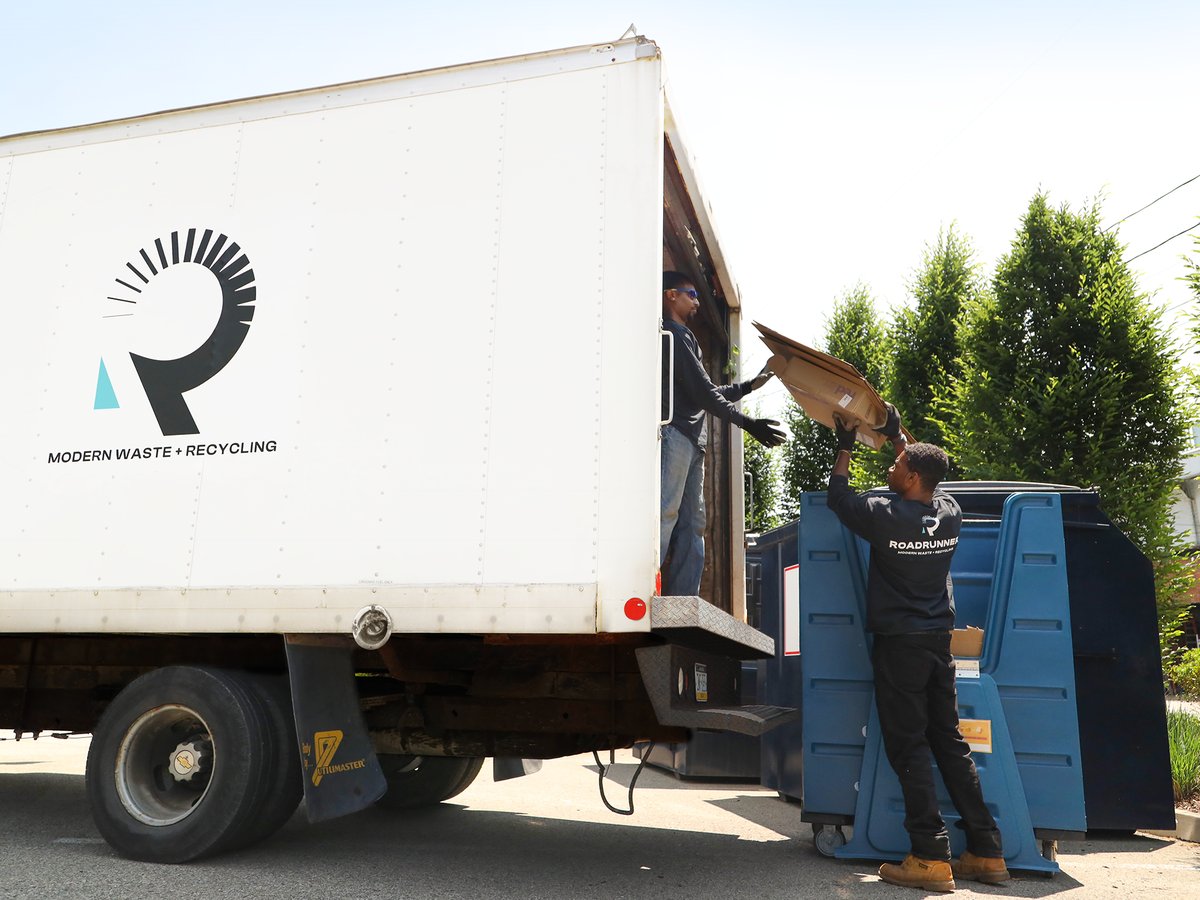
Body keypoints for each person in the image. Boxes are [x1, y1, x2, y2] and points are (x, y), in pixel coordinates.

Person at [827, 406, 1009, 892]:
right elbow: (926, 464)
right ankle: (987, 852)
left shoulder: (885, 516)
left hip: (901, 647)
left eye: (896, 465)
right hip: (937, 645)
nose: (891, 466)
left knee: (908, 745)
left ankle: (929, 856)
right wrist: (895, 434)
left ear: (909, 477)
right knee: (949, 742)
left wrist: (845, 442)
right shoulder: (949, 512)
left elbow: (838, 497)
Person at [660, 270, 785, 597]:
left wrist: (748, 386)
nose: (698, 301)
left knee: (693, 524)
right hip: (674, 435)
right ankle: (649, 590)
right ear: (670, 295)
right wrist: (748, 423)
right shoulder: (671, 334)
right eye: (692, 294)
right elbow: (704, 394)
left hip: (690, 440)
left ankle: (682, 600)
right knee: (666, 514)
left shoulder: (684, 337)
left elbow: (707, 391)